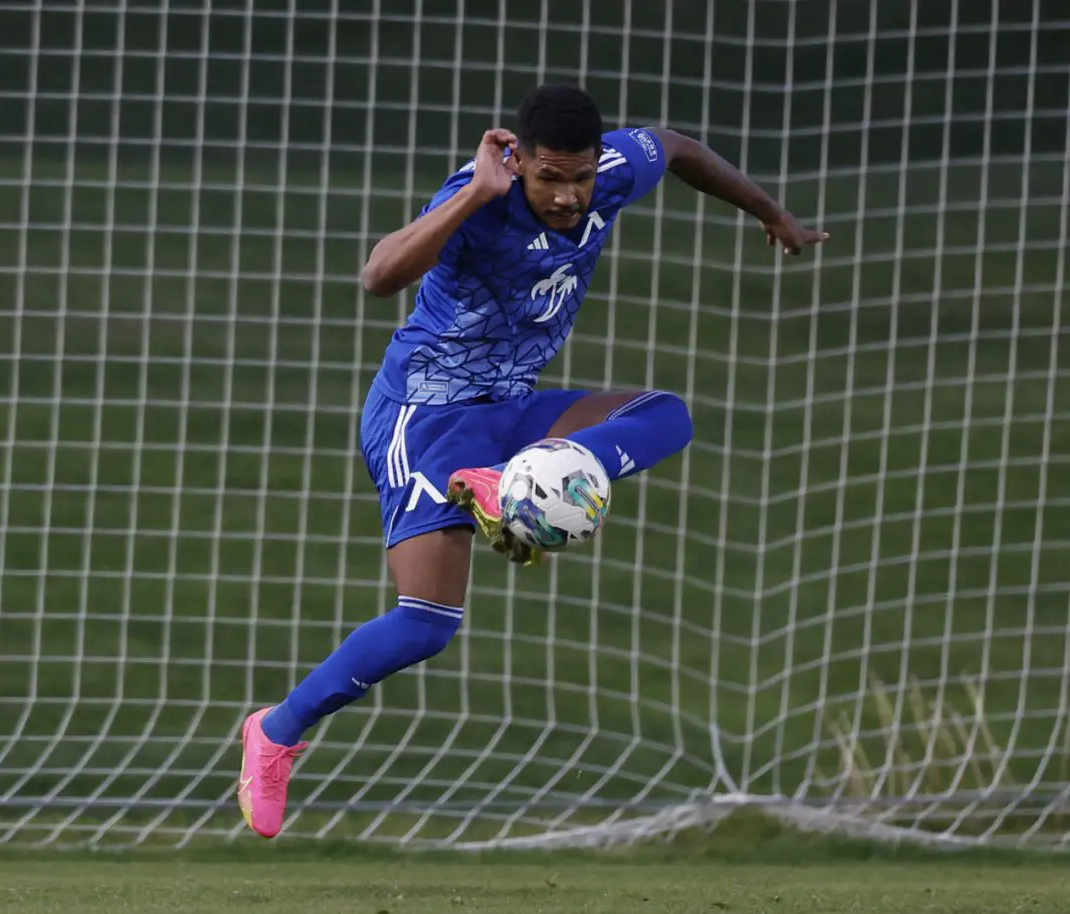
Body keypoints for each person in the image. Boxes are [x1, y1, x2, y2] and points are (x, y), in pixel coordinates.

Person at [236, 84, 827, 838]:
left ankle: (522, 480)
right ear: (518, 162)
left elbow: (679, 148)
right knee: (426, 624)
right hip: (425, 417)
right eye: (550, 178)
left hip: (511, 412)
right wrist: (477, 191)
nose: (568, 195)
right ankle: (277, 731)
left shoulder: (613, 172)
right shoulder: (480, 195)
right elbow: (379, 275)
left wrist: (771, 213)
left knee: (665, 415)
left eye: (580, 177)